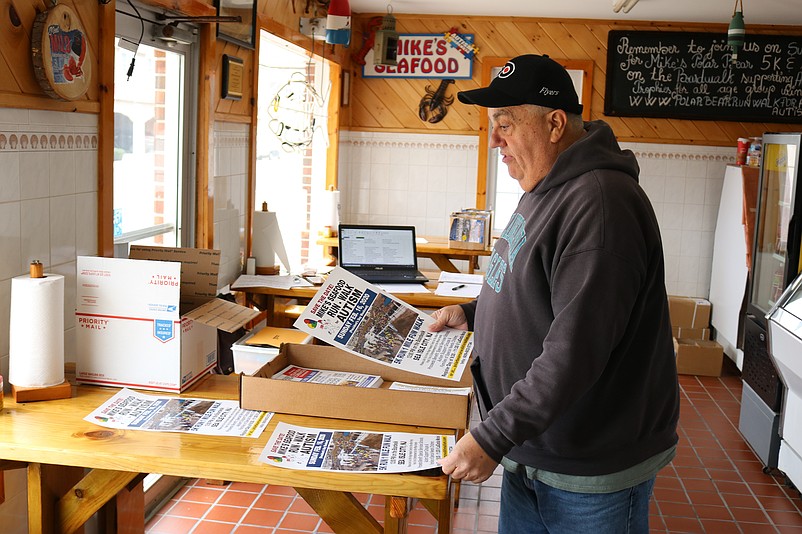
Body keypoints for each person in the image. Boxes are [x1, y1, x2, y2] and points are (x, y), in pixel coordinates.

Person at [430, 54, 680, 533]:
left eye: (505, 124)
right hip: (536, 448)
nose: (494, 140)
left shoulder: (601, 204)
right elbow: (536, 288)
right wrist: (473, 312)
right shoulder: (543, 184)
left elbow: (576, 349)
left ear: (554, 124)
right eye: (491, 125)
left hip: (587, 467)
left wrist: (493, 436)